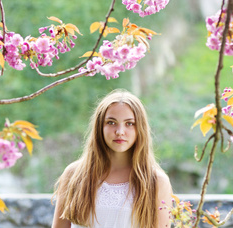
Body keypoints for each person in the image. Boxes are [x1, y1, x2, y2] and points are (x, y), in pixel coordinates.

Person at [52, 89, 173, 228]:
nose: (120, 131)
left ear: (140, 128)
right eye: (111, 122)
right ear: (99, 127)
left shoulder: (156, 181)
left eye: (129, 123)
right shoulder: (74, 174)